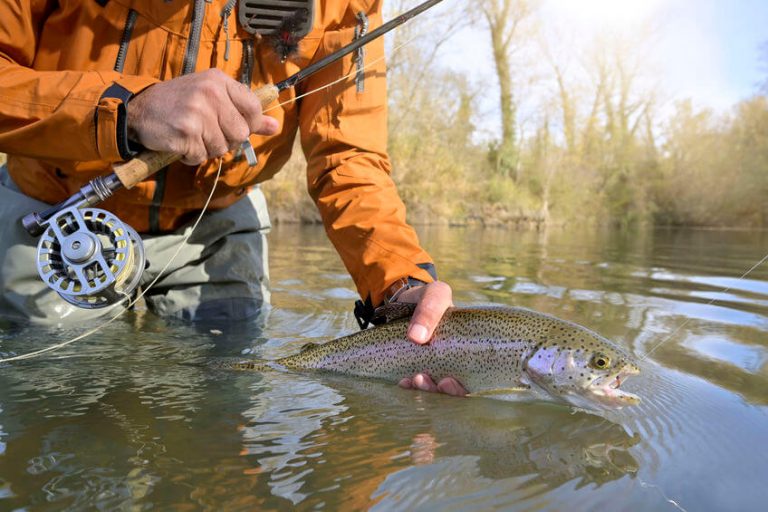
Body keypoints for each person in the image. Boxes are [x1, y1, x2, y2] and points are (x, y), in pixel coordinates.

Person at [0, 1, 464, 395]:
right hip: (56, 211)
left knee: (226, 394)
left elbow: (348, 160)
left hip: (219, 218)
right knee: (54, 389)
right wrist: (128, 110)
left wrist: (401, 285)